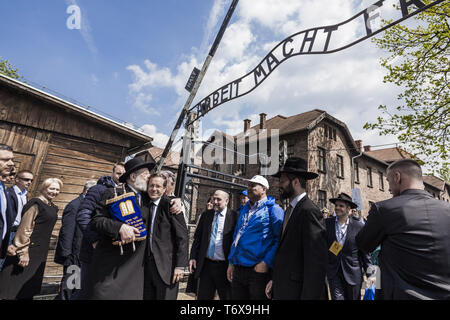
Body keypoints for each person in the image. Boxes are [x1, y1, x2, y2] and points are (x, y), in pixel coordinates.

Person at [85, 158, 183, 300]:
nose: (149, 177)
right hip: (113, 266)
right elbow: (96, 221)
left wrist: (177, 200)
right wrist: (120, 227)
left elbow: (165, 199)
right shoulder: (114, 193)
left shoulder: (148, 198)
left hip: (137, 269)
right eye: (146, 174)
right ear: (133, 176)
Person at [356, 159, 450, 299]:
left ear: (397, 177)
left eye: (388, 181)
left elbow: (363, 244)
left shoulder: (384, 209)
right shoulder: (446, 209)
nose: (388, 188)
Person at [267, 157, 328, 300]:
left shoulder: (309, 211)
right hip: (285, 288)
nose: (279, 186)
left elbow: (316, 262)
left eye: (282, 181)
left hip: (299, 292)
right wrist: (275, 280)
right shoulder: (291, 209)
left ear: (295, 182)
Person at [0, 178, 63, 300]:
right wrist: (23, 252)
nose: (54, 192)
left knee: (27, 288)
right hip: (28, 250)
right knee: (13, 287)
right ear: (44, 188)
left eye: (57, 189)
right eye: (51, 188)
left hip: (40, 252)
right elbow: (25, 228)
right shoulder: (35, 204)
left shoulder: (53, 207)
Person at [227, 175, 284, 300]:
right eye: (248, 185)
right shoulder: (244, 210)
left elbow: (280, 240)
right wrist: (231, 262)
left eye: (252, 185)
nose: (248, 188)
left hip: (257, 271)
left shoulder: (274, 210)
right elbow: (237, 236)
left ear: (264, 189)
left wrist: (266, 262)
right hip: (238, 268)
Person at [75, 162, 125, 298]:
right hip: (93, 250)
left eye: (123, 174)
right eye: (118, 173)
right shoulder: (99, 190)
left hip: (114, 252)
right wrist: (94, 240)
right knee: (85, 290)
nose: (121, 177)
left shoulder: (128, 193)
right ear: (112, 173)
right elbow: (83, 215)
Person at [144, 173, 188, 300]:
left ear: (164, 189)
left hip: (167, 269)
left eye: (158, 186)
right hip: (146, 267)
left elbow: (183, 237)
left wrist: (180, 266)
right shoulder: (144, 204)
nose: (154, 189)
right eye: (151, 185)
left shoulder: (172, 206)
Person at [189, 190, 238, 300]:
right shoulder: (206, 215)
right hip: (206, 265)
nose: (215, 201)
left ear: (227, 201)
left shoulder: (234, 217)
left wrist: (233, 263)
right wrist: (193, 257)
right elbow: (198, 238)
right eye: (213, 198)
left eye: (218, 199)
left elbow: (236, 242)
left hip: (224, 267)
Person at [325, 193, 375, 300]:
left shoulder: (359, 227)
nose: (337, 208)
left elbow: (365, 253)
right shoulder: (327, 224)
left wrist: (371, 275)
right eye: (336, 205)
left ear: (348, 209)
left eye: (341, 206)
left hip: (353, 275)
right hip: (334, 273)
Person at [54, 179, 96, 300]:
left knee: (78, 285)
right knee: (70, 284)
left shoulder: (86, 206)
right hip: (73, 255)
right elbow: (67, 232)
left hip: (81, 254)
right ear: (87, 191)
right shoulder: (75, 206)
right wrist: (67, 255)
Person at [0, 170, 34, 271]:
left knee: (9, 265)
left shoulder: (25, 195)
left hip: (18, 233)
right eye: (26, 179)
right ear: (17, 179)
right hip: (8, 232)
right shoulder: (7, 193)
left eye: (31, 180)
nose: (29, 182)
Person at [0, 144, 15, 251]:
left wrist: (5, 244)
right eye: (5, 159)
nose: (11, 163)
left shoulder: (3, 189)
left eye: (11, 159)